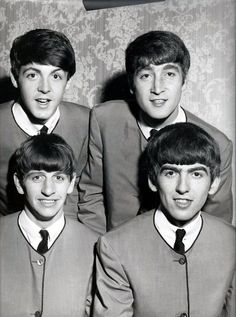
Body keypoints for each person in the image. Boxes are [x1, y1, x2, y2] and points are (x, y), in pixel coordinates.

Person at [78, 30, 233, 234]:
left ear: (183, 80)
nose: (157, 88)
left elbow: (217, 225)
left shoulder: (217, 143)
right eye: (145, 75)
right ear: (132, 85)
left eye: (169, 74)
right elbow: (91, 194)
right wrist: (101, 248)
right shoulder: (105, 120)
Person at [93, 122, 235, 317]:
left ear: (214, 183)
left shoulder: (232, 243)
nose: (182, 187)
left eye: (196, 174)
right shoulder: (115, 246)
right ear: (152, 180)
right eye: (170, 173)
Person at [0, 133, 98, 317]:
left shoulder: (95, 246)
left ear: (71, 184)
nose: (48, 190)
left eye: (59, 178)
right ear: (19, 183)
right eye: (37, 178)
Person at [0, 28, 90, 218]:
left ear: (68, 81)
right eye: (33, 75)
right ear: (16, 78)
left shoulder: (87, 123)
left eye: (56, 76)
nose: (45, 88)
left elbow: (85, 194)